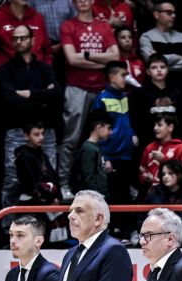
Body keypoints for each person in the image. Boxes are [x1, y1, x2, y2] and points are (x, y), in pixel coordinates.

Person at [57, 0, 119, 200]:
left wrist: (86, 55)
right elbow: (71, 59)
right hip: (76, 87)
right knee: (72, 138)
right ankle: (64, 183)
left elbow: (115, 56)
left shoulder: (104, 26)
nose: (82, 1)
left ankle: (102, 183)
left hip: (101, 88)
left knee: (105, 136)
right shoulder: (68, 25)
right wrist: (101, 63)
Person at [0, 23, 62, 206]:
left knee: (49, 177)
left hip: (45, 129)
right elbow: (9, 99)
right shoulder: (6, 69)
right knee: (13, 178)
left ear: (32, 41)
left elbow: (56, 95)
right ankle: (8, 221)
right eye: (15, 38)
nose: (19, 41)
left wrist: (29, 94)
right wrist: (42, 96)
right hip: (17, 129)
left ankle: (46, 220)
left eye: (23, 37)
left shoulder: (45, 68)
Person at [92, 61, 139, 203]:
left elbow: (126, 120)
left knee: (125, 195)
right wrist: (105, 157)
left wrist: (132, 134)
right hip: (111, 154)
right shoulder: (102, 98)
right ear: (111, 77)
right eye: (123, 75)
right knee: (112, 195)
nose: (126, 78)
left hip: (127, 153)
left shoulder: (124, 97)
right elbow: (98, 131)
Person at [138, 1, 182, 85]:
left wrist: (161, 63)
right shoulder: (146, 37)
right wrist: (176, 57)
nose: (174, 16)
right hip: (156, 86)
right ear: (156, 15)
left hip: (181, 85)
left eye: (174, 13)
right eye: (169, 12)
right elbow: (152, 61)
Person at [0, 0, 52, 70]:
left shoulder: (38, 17)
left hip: (38, 72)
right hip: (9, 72)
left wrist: (47, 70)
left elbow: (47, 51)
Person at [131, 53, 182, 145]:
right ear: (148, 71)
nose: (159, 70)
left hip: (174, 140)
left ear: (167, 70)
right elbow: (136, 119)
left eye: (162, 67)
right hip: (148, 140)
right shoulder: (140, 93)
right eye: (154, 67)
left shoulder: (176, 92)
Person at [138, 113, 182, 192]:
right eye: (154, 125)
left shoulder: (181, 148)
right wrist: (145, 177)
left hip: (174, 194)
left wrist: (164, 160)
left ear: (170, 127)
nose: (155, 128)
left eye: (159, 125)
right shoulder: (149, 147)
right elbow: (142, 170)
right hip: (152, 194)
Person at [15, 122, 61, 205]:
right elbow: (30, 183)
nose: (41, 137)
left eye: (43, 134)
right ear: (26, 136)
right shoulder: (24, 156)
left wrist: (57, 196)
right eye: (36, 134)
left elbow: (53, 177)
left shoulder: (43, 155)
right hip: (31, 201)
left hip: (47, 200)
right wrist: (49, 197)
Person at [72, 109, 112, 196]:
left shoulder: (96, 147)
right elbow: (88, 178)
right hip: (94, 198)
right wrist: (96, 196)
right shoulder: (89, 149)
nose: (111, 132)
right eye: (108, 128)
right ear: (98, 128)